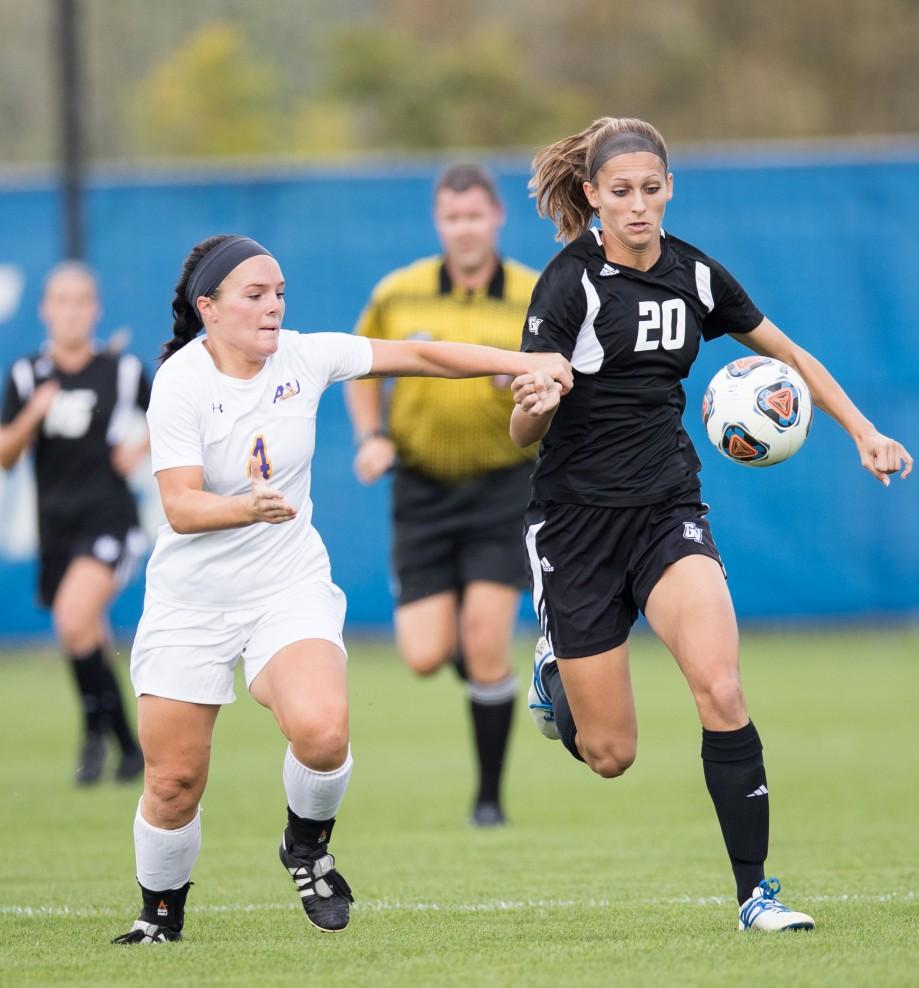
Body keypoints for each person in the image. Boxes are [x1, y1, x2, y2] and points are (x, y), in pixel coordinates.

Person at [508, 117, 913, 932]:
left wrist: (863, 430)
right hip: (576, 530)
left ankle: (755, 894)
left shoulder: (695, 275)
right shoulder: (567, 284)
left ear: (669, 188)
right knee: (609, 755)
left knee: (722, 688)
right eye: (619, 192)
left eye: (651, 189)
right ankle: (556, 672)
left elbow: (790, 354)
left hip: (667, 511)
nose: (637, 206)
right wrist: (535, 403)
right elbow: (519, 432)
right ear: (591, 196)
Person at [111, 234, 571, 944]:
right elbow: (181, 507)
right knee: (173, 784)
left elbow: (422, 355)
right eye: (254, 295)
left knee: (324, 735)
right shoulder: (180, 382)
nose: (274, 307)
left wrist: (527, 361)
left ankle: (307, 847)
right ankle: (159, 916)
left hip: (285, 586)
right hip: (190, 604)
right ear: (209, 309)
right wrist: (246, 506)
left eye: (280, 293)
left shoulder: (304, 355)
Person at [345, 163, 539, 827]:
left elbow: (565, 374)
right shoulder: (398, 294)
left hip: (502, 486)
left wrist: (527, 389)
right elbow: (357, 368)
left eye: (475, 215)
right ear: (439, 222)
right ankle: (473, 657)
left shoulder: (535, 294)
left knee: (488, 642)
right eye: (452, 217)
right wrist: (371, 434)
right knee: (426, 656)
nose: (465, 228)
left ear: (497, 218)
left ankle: (489, 800)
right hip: (422, 488)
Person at [0, 262, 148, 786]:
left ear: (96, 308)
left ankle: (101, 739)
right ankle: (123, 747)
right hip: (56, 528)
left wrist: (142, 445)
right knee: (82, 632)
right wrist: (32, 416)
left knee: (72, 616)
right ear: (44, 309)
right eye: (61, 300)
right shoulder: (25, 375)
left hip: (110, 518)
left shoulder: (123, 370)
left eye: (82, 300)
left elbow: (176, 415)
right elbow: (5, 455)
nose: (71, 310)